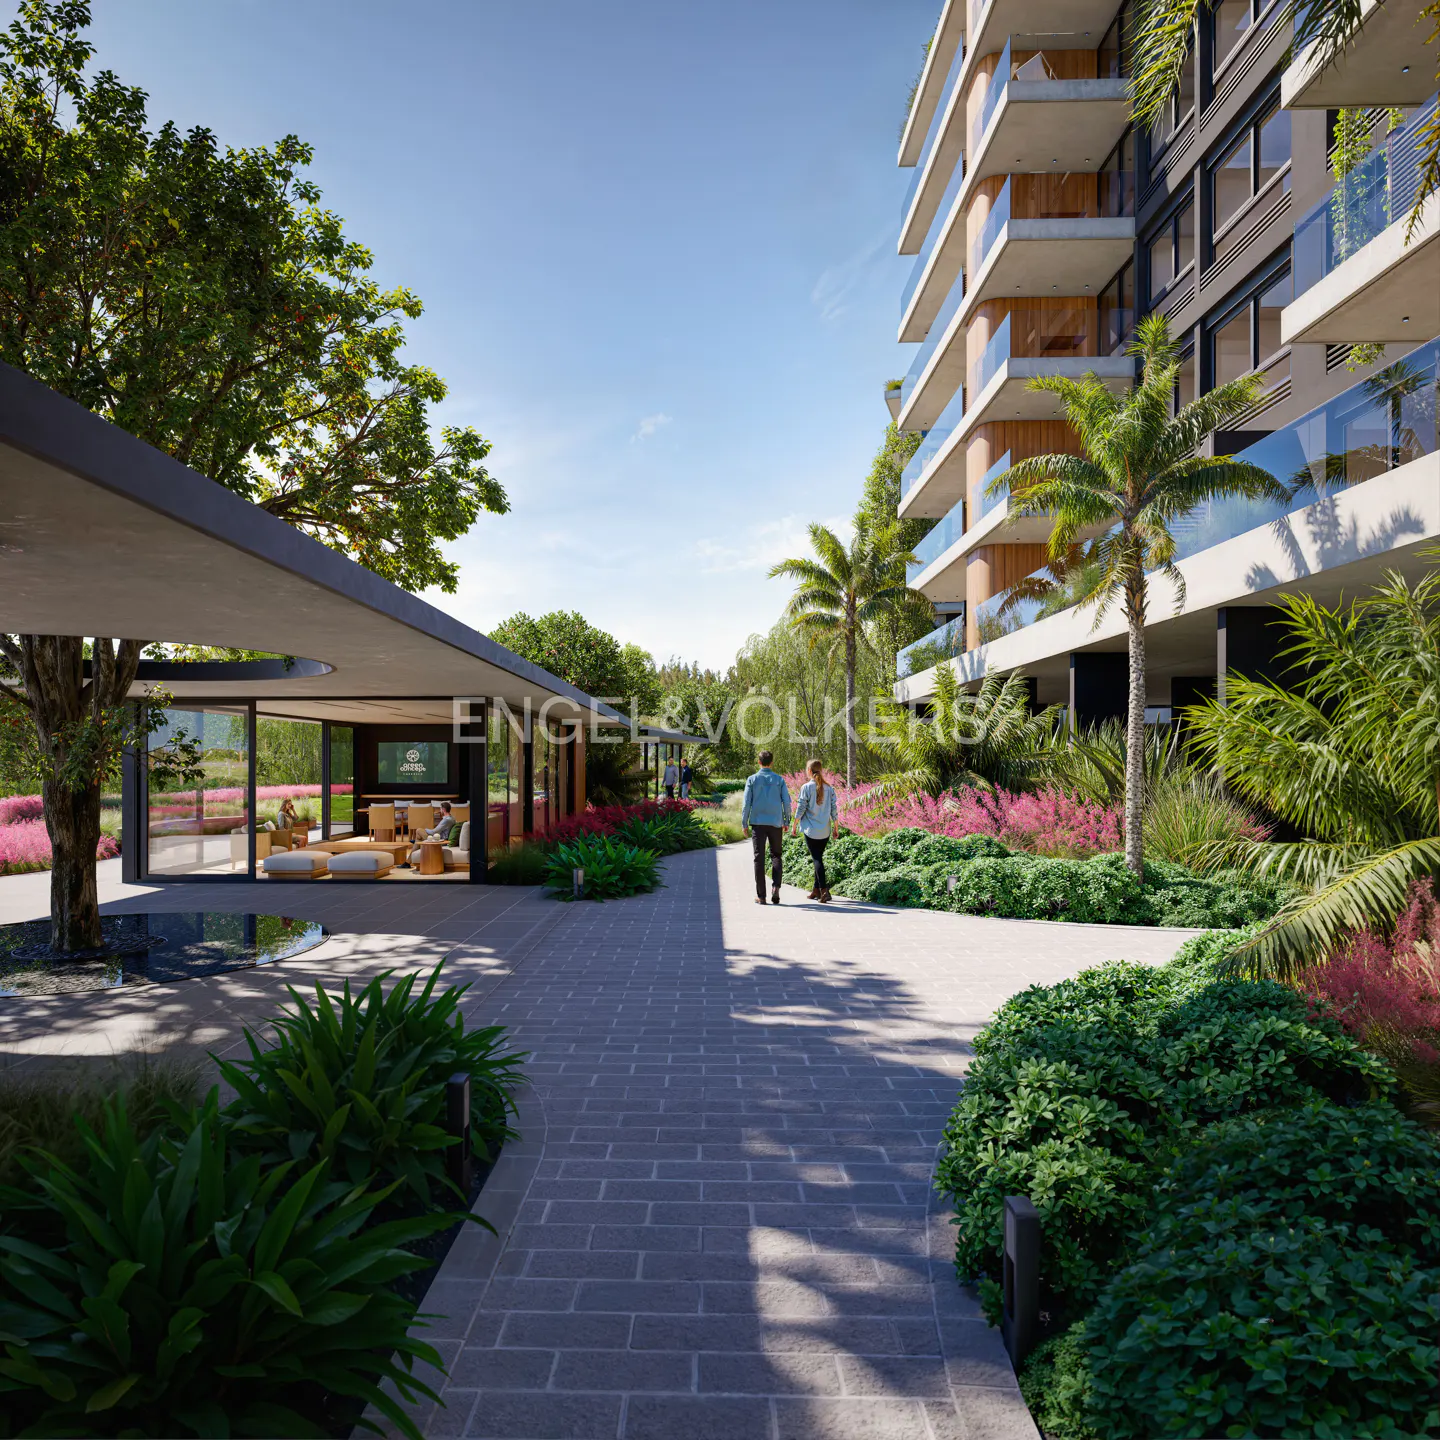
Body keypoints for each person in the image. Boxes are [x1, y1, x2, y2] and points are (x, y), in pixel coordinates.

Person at [741, 749, 791, 905]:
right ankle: (776, 887)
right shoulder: (779, 780)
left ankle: (761, 896)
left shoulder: (752, 779)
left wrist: (744, 823)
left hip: (758, 823)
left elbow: (746, 803)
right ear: (772, 762)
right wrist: (786, 821)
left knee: (759, 858)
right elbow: (787, 802)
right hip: (775, 823)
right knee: (776, 855)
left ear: (759, 762)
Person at [792, 758, 838, 903]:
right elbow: (834, 809)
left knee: (817, 859)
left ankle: (824, 890)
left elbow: (801, 807)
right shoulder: (829, 788)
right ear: (821, 770)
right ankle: (816, 890)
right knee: (818, 858)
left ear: (809, 771)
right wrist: (836, 827)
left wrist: (794, 824)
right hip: (825, 830)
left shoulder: (806, 787)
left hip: (810, 830)